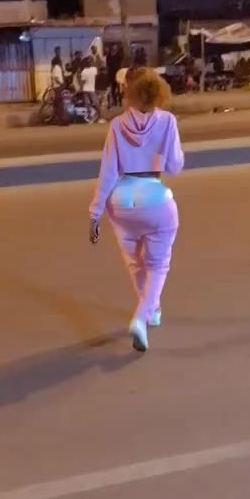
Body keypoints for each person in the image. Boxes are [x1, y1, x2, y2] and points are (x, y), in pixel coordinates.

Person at [89, 68, 184, 352]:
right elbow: (175, 166)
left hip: (120, 201)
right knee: (158, 264)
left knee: (135, 263)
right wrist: (159, 151)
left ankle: (152, 310)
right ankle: (142, 317)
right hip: (154, 197)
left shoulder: (117, 125)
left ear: (129, 91)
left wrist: (95, 213)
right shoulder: (167, 121)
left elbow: (108, 172)